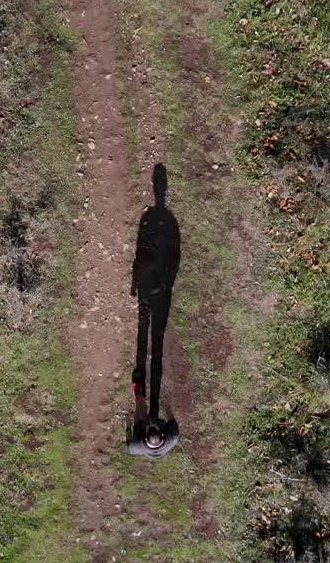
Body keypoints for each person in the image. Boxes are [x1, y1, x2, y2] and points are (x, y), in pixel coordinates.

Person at [127, 163, 181, 457]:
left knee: (141, 400)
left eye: (147, 426)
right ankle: (148, 385)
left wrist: (140, 409)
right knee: (155, 337)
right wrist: (168, 404)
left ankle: (140, 387)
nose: (151, 426)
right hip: (162, 287)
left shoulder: (136, 442)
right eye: (153, 426)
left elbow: (133, 420)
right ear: (159, 431)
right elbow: (172, 416)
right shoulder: (171, 436)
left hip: (139, 432)